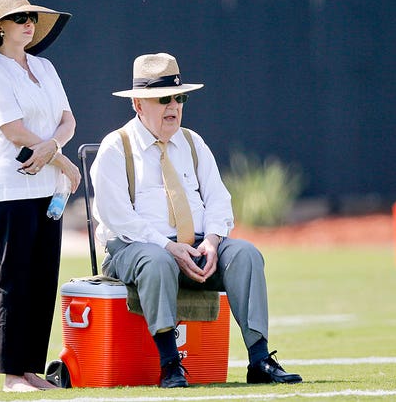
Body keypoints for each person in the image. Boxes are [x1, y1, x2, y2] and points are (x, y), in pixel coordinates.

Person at [90, 53, 302, 388]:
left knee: (246, 254)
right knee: (156, 260)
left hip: (197, 246)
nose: (174, 105)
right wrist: (169, 247)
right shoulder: (116, 148)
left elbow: (219, 199)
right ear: (138, 104)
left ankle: (259, 360)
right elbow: (119, 219)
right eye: (164, 98)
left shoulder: (192, 142)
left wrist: (213, 241)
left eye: (179, 97)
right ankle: (170, 364)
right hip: (136, 250)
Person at [0, 0, 81, 393]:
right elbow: (13, 130)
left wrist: (54, 149)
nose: (29, 23)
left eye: (31, 17)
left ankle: (31, 371)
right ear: (0, 28)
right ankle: (12, 376)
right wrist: (63, 160)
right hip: (9, 188)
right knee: (15, 280)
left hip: (46, 187)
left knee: (41, 279)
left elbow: (67, 120)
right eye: (20, 19)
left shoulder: (45, 67)